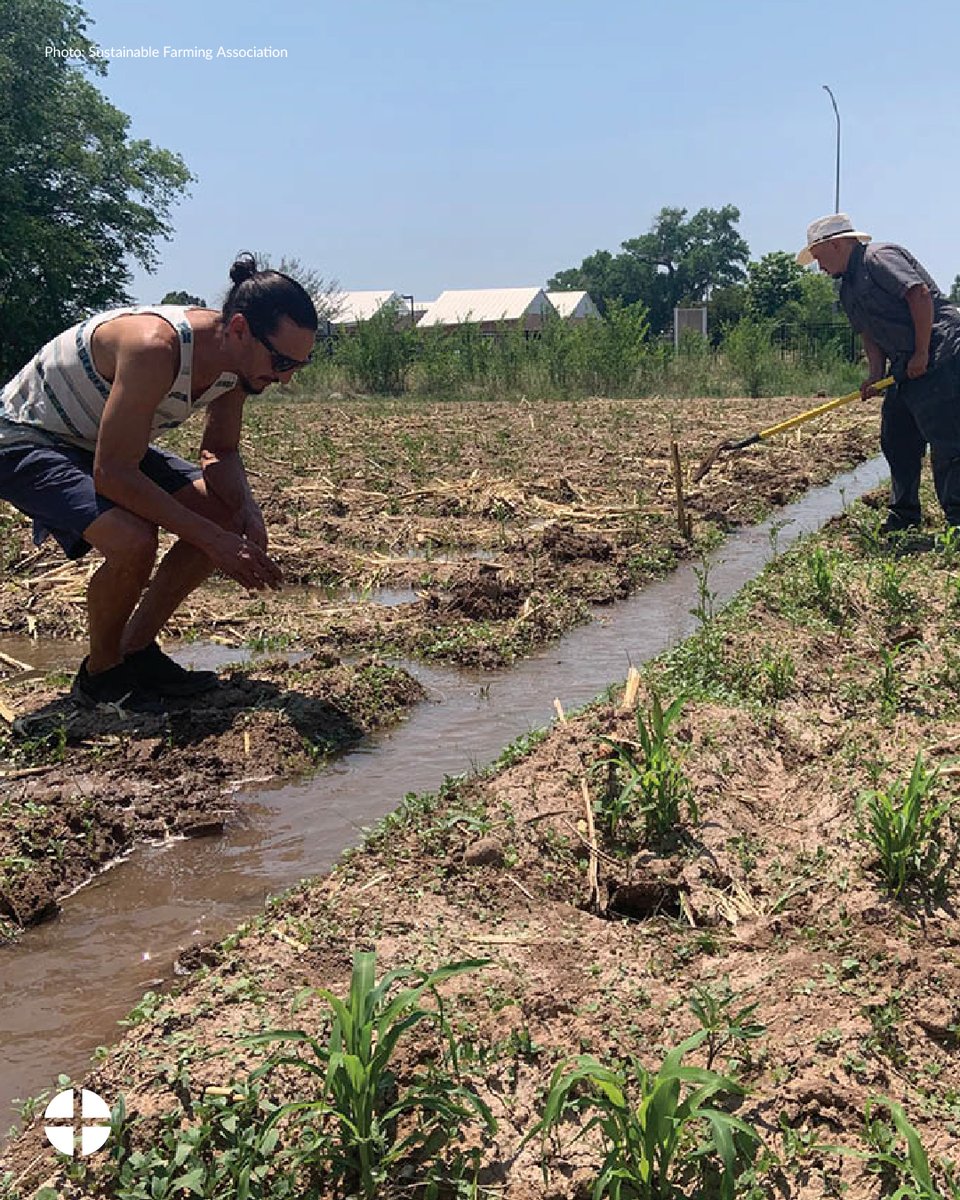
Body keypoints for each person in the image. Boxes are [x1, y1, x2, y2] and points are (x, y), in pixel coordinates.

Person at [0, 254, 318, 711]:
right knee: (133, 540)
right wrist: (213, 541)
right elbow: (113, 473)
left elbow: (220, 451)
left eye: (297, 366)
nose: (285, 378)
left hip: (96, 441)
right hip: (24, 438)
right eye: (282, 360)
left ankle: (136, 650)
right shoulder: (155, 348)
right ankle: (101, 676)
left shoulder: (239, 369)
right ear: (240, 329)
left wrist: (246, 511)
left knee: (224, 513)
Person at [797, 213, 960, 535]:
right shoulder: (846, 289)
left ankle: (957, 521)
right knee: (896, 439)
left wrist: (922, 352)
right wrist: (875, 374)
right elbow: (869, 334)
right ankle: (904, 516)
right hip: (905, 366)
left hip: (940, 355)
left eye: (819, 257)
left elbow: (918, 295)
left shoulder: (878, 257)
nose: (819, 267)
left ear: (837, 244)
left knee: (947, 441)